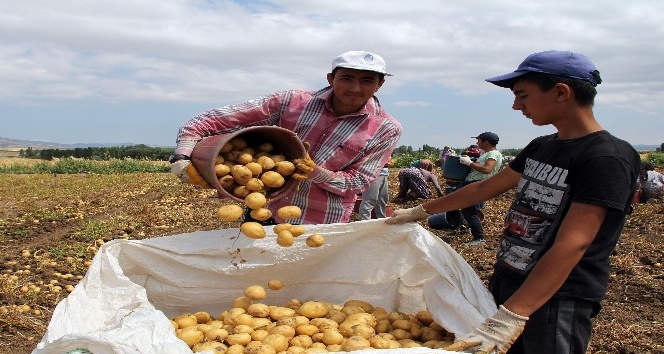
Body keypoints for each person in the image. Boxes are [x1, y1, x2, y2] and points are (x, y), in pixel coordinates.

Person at [386, 50, 640, 354]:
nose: (516, 105)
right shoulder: (542, 146)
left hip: (556, 296)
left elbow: (574, 243)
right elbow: (484, 190)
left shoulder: (605, 157)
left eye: (523, 95)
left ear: (561, 92)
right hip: (510, 278)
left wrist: (512, 315)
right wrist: (420, 211)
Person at [170, 50, 402, 224]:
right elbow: (212, 119)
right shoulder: (291, 102)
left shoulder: (386, 128)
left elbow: (359, 181)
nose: (356, 88)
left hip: (322, 222)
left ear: (380, 84)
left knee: (309, 286)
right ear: (331, 79)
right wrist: (182, 156)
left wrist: (316, 173)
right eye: (347, 78)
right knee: (256, 279)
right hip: (264, 210)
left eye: (367, 80)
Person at [457, 132, 503, 246]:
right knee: (467, 209)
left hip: (479, 184)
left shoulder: (493, 154)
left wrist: (470, 163)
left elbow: (487, 169)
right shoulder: (486, 153)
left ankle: (479, 238)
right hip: (473, 183)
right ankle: (472, 230)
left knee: (469, 210)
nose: (477, 142)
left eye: (479, 140)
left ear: (486, 142)